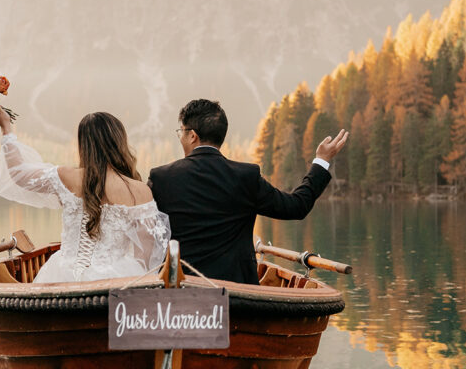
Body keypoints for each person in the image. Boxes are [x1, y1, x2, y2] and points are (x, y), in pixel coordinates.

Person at [148, 99, 348, 285]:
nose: (180, 137)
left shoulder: (161, 178)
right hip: (238, 293)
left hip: (182, 289)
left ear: (192, 135)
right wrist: (321, 161)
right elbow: (296, 206)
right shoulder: (246, 176)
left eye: (181, 132)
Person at [0, 102, 170, 283]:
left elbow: (18, 174)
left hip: (62, 274)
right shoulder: (139, 191)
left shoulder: (66, 177)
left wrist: (7, 128)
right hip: (117, 278)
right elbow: (147, 253)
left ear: (84, 144)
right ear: (119, 141)